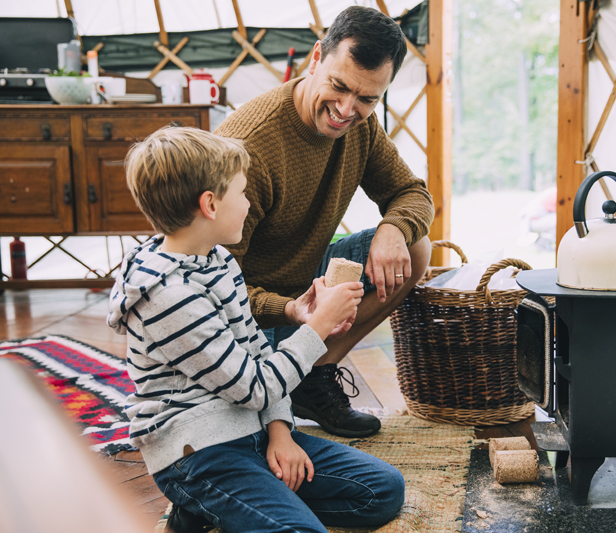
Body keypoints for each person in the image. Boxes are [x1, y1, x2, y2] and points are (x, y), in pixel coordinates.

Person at [107, 127, 405, 533]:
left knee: (383, 491)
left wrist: (280, 432)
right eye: (243, 193)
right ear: (210, 204)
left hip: (250, 429)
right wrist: (318, 327)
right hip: (196, 452)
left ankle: (221, 511)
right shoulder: (165, 296)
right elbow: (254, 386)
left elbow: (257, 351)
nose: (249, 205)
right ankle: (208, 501)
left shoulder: (219, 262)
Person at [215, 5, 435, 438]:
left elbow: (412, 193)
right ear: (316, 57)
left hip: (307, 285)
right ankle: (286, 372)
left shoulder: (361, 126)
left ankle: (314, 374)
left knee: (415, 246)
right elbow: (215, 288)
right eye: (339, 86)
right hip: (247, 316)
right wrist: (292, 311)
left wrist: (393, 229)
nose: (347, 109)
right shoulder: (248, 147)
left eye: (368, 99)